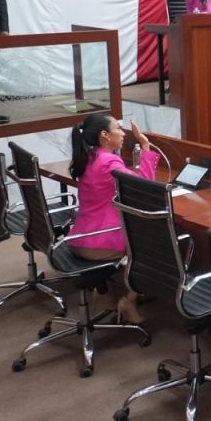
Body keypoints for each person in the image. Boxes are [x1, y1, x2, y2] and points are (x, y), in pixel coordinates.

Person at [68, 114, 160, 324]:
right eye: (118, 128)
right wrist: (145, 146)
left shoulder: (90, 157)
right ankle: (129, 300)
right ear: (105, 135)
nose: (123, 133)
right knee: (154, 245)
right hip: (98, 243)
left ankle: (105, 292)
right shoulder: (108, 161)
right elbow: (144, 186)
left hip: (78, 238)